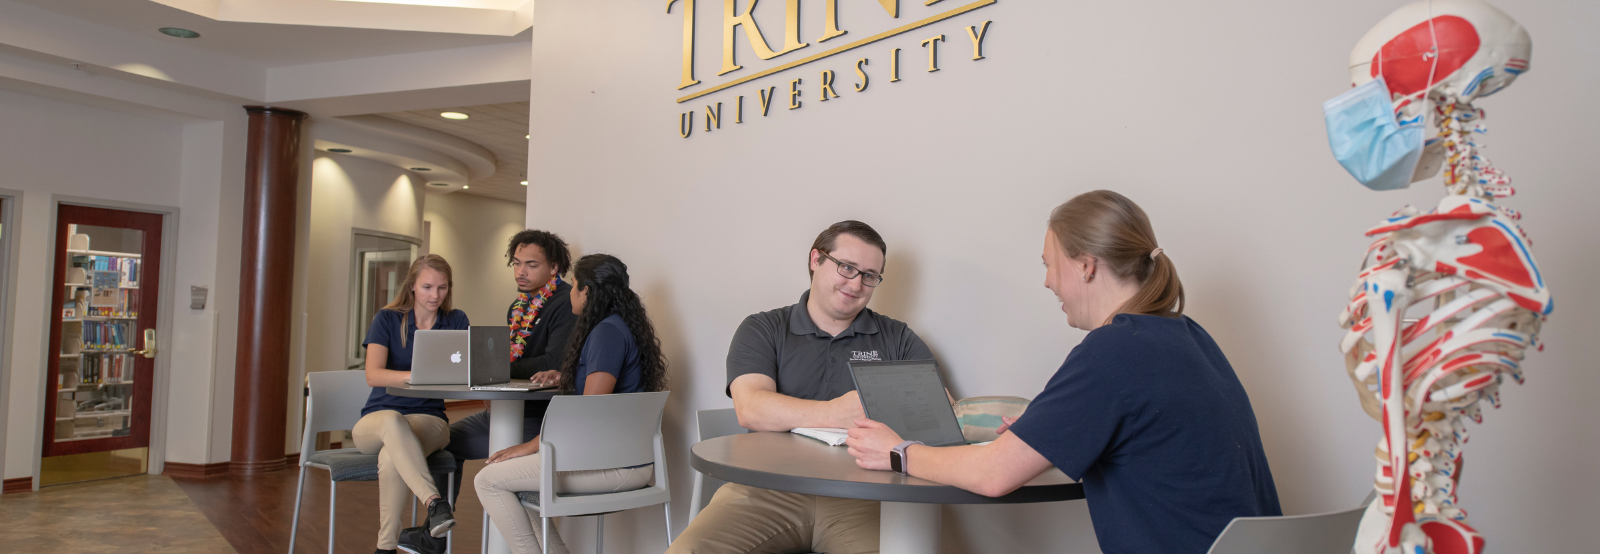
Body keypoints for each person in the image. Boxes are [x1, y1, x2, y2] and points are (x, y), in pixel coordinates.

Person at [845, 190, 1281, 554]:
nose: (1048, 282)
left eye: (1049, 263)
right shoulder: (1185, 334)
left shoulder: (1113, 350)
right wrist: (1050, 430)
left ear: (1086, 265)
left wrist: (897, 451)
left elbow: (992, 475)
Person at [667, 220, 934, 554]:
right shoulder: (763, 328)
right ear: (815, 260)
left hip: (865, 497)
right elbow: (750, 408)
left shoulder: (897, 337)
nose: (857, 283)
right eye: (847, 267)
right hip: (766, 490)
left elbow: (941, 412)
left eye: (869, 275)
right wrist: (837, 413)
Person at [403, 254, 669, 554]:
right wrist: (568, 376)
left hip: (613, 466)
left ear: (588, 292)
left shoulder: (606, 333)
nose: (570, 291)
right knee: (511, 480)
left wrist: (527, 447)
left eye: (575, 286)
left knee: (489, 480)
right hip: (626, 459)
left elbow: (589, 413)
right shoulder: (618, 326)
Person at [443, 230, 577, 502]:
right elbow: (517, 362)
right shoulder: (518, 305)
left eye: (531, 264)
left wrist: (494, 368)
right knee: (441, 443)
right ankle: (437, 524)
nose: (520, 272)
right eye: (516, 263)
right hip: (507, 408)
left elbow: (552, 364)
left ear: (554, 267)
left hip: (540, 418)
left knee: (496, 474)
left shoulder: (566, 303)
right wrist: (495, 381)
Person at [353, 254, 468, 554]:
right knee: (392, 420)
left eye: (442, 288)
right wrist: (418, 375)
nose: (435, 295)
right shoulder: (387, 319)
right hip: (377, 421)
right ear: (413, 286)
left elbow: (464, 373)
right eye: (428, 287)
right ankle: (435, 502)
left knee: (392, 458)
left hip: (428, 420)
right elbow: (373, 375)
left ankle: (385, 548)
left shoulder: (456, 321)